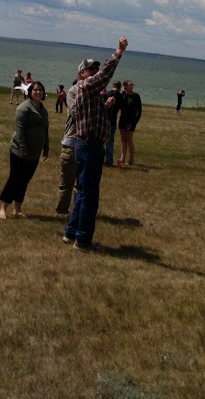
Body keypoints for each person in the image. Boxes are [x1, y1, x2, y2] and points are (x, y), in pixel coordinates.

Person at [63, 36, 128, 250]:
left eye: (95, 68)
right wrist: (118, 52)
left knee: (83, 192)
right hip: (90, 147)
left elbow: (92, 115)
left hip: (86, 145)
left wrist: (105, 106)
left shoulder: (89, 92)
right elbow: (105, 74)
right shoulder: (87, 86)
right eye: (91, 69)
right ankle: (82, 240)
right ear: (82, 73)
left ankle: (71, 233)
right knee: (90, 196)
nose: (95, 71)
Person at [0, 81, 49, 218]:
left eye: (40, 90)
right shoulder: (23, 108)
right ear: (30, 92)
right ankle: (3, 209)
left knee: (24, 180)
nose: (38, 92)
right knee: (14, 179)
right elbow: (19, 129)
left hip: (34, 153)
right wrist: (22, 147)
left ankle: (17, 209)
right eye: (35, 90)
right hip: (20, 151)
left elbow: (46, 130)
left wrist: (46, 147)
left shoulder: (43, 110)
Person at [57, 71, 83, 215]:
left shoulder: (93, 94)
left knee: (81, 183)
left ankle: (77, 212)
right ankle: (62, 211)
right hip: (71, 144)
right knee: (67, 182)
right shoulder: (73, 92)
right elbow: (76, 114)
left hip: (85, 145)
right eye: (90, 70)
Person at [117, 79, 142, 167]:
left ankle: (131, 159)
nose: (131, 86)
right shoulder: (123, 96)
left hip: (131, 121)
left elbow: (139, 111)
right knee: (123, 140)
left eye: (132, 85)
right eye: (129, 85)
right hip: (122, 120)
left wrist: (135, 122)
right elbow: (120, 105)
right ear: (125, 87)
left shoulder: (136, 96)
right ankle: (123, 158)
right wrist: (123, 93)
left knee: (129, 140)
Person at [103, 80, 121, 166]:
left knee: (100, 142)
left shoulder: (107, 94)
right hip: (113, 121)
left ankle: (99, 159)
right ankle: (109, 161)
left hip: (104, 121)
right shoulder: (120, 96)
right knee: (110, 142)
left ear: (113, 85)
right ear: (119, 87)